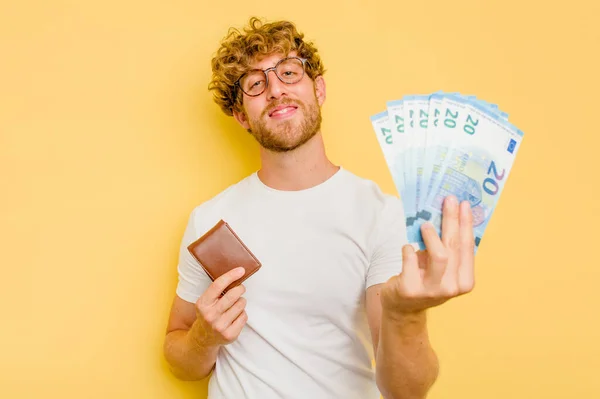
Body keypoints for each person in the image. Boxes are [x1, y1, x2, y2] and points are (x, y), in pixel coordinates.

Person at [163, 17, 475, 399]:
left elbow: (405, 391)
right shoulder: (210, 220)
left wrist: (405, 314)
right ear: (242, 115)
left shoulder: (381, 215)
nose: (276, 90)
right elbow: (178, 355)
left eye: (289, 73)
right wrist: (203, 338)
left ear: (319, 89)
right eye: (256, 84)